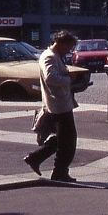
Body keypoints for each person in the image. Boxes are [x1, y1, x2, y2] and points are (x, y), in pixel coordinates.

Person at [23, 30, 79, 182]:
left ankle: (36, 158)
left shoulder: (55, 56)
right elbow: (51, 78)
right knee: (68, 140)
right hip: (58, 105)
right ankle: (59, 171)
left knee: (63, 139)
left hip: (60, 104)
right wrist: (68, 79)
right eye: (69, 47)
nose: (70, 51)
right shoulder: (49, 56)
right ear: (61, 44)